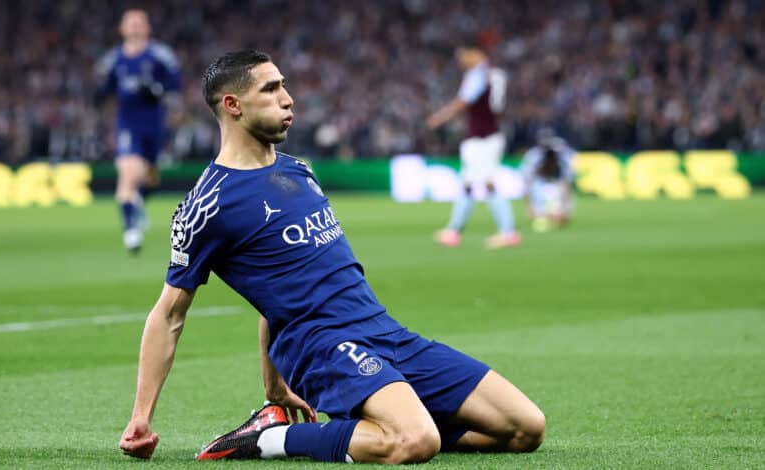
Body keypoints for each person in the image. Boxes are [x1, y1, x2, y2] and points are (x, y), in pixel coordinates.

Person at [118, 50, 545, 464]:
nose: (288, 98)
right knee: (415, 441)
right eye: (271, 90)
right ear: (233, 105)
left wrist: (275, 391)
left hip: (384, 331)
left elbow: (276, 290)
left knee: (525, 427)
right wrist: (141, 417)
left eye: (284, 85)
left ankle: (375, 423)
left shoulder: (298, 170)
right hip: (325, 347)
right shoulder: (207, 206)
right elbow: (169, 314)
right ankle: (271, 438)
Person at [95, 9, 182, 253]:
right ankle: (131, 230)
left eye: (138, 24)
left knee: (151, 180)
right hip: (127, 125)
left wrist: (156, 90)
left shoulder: (160, 56)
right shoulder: (113, 60)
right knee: (128, 176)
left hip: (154, 125)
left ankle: (138, 204)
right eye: (130, 24)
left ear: (147, 28)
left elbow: (175, 86)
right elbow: (104, 89)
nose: (134, 28)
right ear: (122, 29)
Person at [427, 40, 520, 249]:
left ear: (475, 53)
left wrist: (440, 117)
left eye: (463, 54)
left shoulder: (478, 75)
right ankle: (454, 230)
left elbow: (464, 101)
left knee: (487, 183)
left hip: (481, 139)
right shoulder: (494, 74)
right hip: (486, 136)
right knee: (468, 184)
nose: (460, 60)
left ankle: (508, 232)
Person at [521, 134, 575, 232]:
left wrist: (564, 209)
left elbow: (566, 185)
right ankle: (543, 214)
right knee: (538, 211)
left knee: (561, 217)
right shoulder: (533, 157)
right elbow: (527, 184)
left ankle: (551, 213)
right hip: (539, 184)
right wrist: (530, 207)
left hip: (556, 184)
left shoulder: (565, 158)